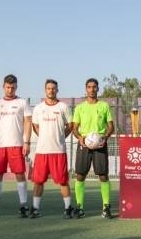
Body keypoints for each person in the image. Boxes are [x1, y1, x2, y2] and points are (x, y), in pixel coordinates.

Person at [0, 74, 33, 218]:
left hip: (16, 145)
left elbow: (28, 122)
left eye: (12, 87)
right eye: (7, 87)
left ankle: (23, 205)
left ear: (16, 87)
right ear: (3, 87)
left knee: (19, 174)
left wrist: (27, 142)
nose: (10, 89)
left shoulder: (22, 102)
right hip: (0, 146)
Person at [70, 78, 115, 219]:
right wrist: (80, 138)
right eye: (89, 87)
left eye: (94, 87)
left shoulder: (104, 106)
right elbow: (74, 128)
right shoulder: (79, 108)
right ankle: (80, 207)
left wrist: (105, 137)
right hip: (84, 145)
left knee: (103, 175)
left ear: (97, 89)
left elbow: (110, 126)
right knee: (80, 175)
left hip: (100, 144)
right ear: (86, 89)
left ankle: (106, 207)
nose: (91, 89)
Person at [29, 79, 73, 218]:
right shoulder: (38, 108)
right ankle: (35, 209)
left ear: (57, 90)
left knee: (63, 181)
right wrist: (43, 136)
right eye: (48, 88)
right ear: (45, 90)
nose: (51, 90)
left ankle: (68, 208)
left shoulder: (63, 107)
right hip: (42, 151)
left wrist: (61, 136)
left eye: (53, 88)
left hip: (58, 151)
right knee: (38, 181)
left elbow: (70, 125)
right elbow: (35, 126)